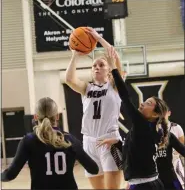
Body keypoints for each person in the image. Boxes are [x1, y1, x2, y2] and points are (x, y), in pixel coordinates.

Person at [65, 28, 125, 189]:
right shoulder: (86, 88)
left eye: (101, 65)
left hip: (109, 140)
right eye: (94, 65)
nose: (97, 67)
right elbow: (69, 79)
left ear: (109, 71)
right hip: (89, 142)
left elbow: (114, 55)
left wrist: (99, 39)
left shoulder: (115, 86)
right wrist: (75, 55)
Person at [1, 97, 99, 189]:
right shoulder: (70, 139)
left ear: (35, 117)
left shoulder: (28, 141)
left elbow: (10, 175)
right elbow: (94, 169)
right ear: (57, 116)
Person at [107, 46, 168, 190]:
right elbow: (135, 152)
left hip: (144, 185)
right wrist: (117, 142)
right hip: (146, 183)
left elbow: (125, 98)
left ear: (155, 114)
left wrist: (114, 68)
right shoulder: (148, 128)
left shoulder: (144, 125)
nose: (142, 104)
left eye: (148, 103)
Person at [166, 110, 185, 189]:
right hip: (161, 163)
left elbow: (181, 143)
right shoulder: (154, 128)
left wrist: (175, 153)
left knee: (180, 183)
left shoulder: (176, 127)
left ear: (169, 113)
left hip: (174, 161)